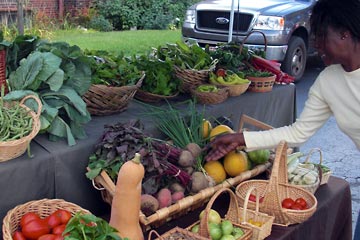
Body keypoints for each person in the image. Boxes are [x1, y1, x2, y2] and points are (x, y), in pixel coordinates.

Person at [204, 0, 360, 238]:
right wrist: (241, 139)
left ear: (344, 34)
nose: (316, 45)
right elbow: (297, 133)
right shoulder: (329, 81)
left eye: (320, 36)